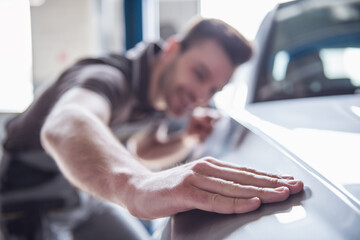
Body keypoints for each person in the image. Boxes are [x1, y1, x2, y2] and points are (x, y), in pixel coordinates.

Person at [0, 17, 304, 239]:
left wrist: (186, 139)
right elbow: (66, 124)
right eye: (199, 74)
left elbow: (143, 151)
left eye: (213, 90)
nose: (201, 97)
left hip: (82, 197)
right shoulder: (108, 77)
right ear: (171, 49)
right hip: (25, 202)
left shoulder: (156, 98)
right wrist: (137, 185)